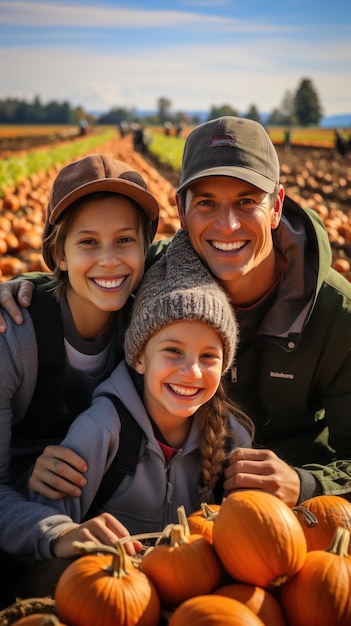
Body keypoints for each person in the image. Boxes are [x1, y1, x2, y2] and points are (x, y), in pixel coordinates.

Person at [3, 116, 351, 511]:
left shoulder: (337, 315)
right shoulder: (159, 275)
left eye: (246, 201)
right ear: (181, 212)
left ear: (276, 207)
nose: (228, 224)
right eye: (205, 202)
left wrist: (308, 483)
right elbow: (94, 274)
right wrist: (27, 286)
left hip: (293, 517)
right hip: (184, 508)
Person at [7, 229, 253, 599]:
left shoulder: (233, 440)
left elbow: (253, 540)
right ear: (139, 357)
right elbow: (48, 532)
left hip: (193, 598)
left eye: (209, 357)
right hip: (113, 591)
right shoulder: (102, 429)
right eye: (173, 351)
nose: (192, 372)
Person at [0, 152, 159, 605]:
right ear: (58, 254)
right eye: (88, 242)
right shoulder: (12, 337)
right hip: (21, 518)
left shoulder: (145, 324)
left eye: (125, 240)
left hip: (91, 507)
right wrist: (58, 531)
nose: (109, 261)